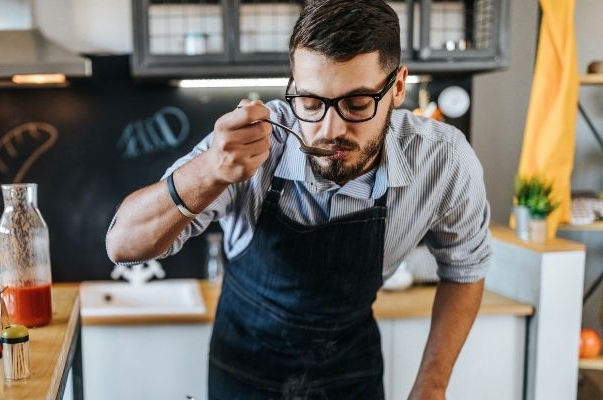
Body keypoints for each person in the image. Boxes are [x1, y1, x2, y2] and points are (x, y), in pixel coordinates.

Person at [106, 0, 491, 398]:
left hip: (350, 376)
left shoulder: (443, 160)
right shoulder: (254, 143)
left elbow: (465, 269)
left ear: (397, 88)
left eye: (357, 105)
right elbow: (121, 245)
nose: (330, 128)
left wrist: (432, 384)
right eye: (310, 103)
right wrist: (207, 172)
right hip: (243, 373)